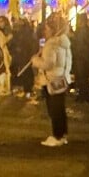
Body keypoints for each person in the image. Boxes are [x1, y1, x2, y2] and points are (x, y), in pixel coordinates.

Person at [33, 16, 72, 147]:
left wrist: (35, 61)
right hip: (61, 78)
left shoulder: (52, 44)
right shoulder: (64, 42)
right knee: (60, 108)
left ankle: (57, 136)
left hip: (51, 80)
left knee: (54, 109)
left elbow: (48, 64)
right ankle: (62, 134)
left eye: (47, 28)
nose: (45, 31)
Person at [70, 13, 89, 103]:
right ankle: (84, 95)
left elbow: (80, 45)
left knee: (82, 78)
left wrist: (73, 39)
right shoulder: (85, 31)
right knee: (82, 78)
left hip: (82, 58)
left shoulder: (83, 31)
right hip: (84, 58)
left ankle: (84, 96)